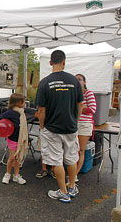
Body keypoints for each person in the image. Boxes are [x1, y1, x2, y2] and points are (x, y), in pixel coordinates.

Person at [35, 50, 83, 203]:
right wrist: (75, 119)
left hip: (52, 128)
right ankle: (71, 187)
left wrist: (42, 127)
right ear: (64, 61)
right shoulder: (74, 81)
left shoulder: (44, 83)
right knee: (71, 158)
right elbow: (80, 104)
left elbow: (41, 110)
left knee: (56, 161)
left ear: (50, 62)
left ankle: (63, 192)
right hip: (70, 127)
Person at [0, 93, 28, 185]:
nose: (25, 103)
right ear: (18, 103)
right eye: (23, 102)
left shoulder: (22, 112)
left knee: (17, 159)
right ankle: (7, 174)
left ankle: (16, 175)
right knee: (12, 157)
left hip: (20, 140)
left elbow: (24, 129)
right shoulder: (10, 112)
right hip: (12, 139)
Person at [75, 74, 96, 180]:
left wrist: (80, 108)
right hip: (74, 124)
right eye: (76, 79)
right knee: (72, 150)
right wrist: (82, 107)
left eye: (79, 79)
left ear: (84, 82)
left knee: (81, 150)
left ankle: (74, 175)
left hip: (85, 124)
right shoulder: (73, 94)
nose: (77, 81)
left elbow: (92, 109)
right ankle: (71, 172)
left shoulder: (88, 93)